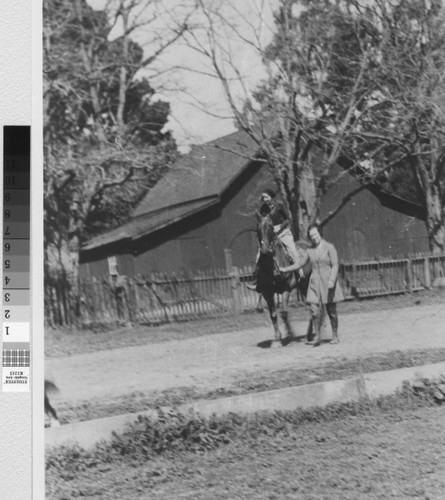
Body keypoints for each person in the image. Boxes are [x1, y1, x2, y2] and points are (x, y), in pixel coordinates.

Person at [280, 223, 344, 346]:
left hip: (328, 282)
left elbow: (335, 265)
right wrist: (286, 269)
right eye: (311, 236)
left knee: (331, 310)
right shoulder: (309, 250)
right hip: (314, 284)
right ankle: (317, 336)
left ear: (320, 233)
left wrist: (332, 280)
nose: (314, 237)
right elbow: (300, 264)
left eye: (315, 234)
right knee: (314, 310)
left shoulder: (329, 247)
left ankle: (335, 335)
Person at [247, 187, 302, 290]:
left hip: (283, 232)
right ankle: (258, 280)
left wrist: (280, 227)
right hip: (270, 234)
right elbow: (263, 221)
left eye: (266, 197)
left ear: (271, 197)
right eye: (263, 197)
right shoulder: (263, 208)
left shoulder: (279, 204)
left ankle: (299, 272)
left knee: (292, 251)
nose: (265, 199)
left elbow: (289, 219)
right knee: (260, 254)